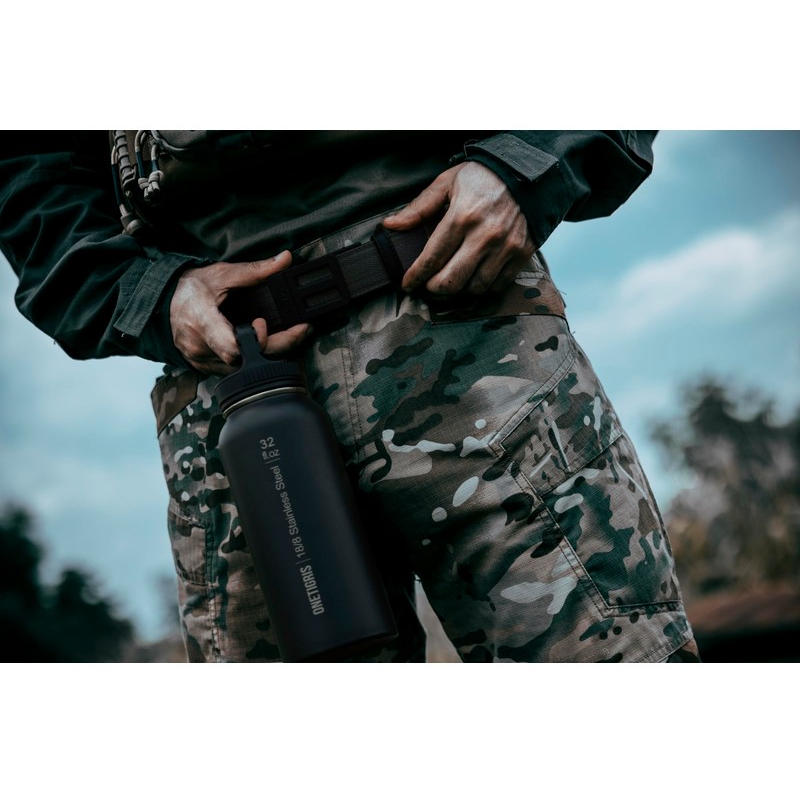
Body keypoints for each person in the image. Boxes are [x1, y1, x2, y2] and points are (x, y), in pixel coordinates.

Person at [0, 131, 700, 662]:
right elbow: (24, 162)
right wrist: (148, 295)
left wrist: (529, 158)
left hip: (463, 328)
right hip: (227, 386)